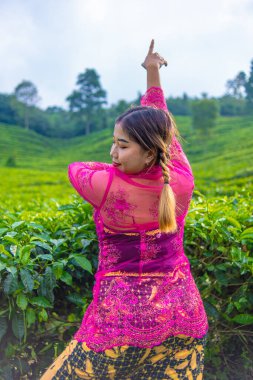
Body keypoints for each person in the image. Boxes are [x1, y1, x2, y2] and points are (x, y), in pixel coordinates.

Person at [40, 39, 208, 380]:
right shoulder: (181, 178)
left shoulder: (105, 185)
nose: (113, 152)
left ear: (149, 152)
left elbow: (75, 168)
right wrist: (152, 73)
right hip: (184, 318)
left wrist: (115, 168)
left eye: (122, 145)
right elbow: (161, 120)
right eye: (113, 144)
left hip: (120, 326)